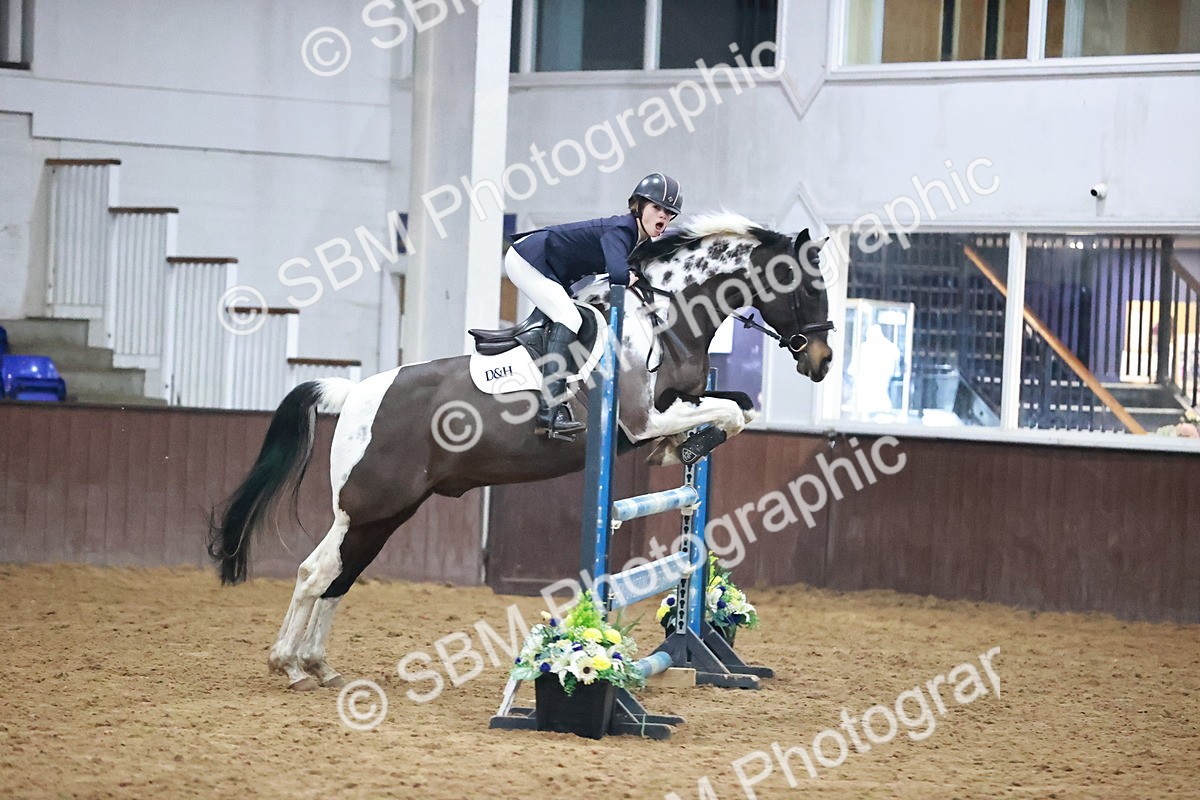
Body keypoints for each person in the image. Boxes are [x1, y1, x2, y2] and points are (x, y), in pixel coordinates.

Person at [506, 173, 682, 438]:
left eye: (669, 213)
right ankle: (548, 410)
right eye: (657, 208)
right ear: (639, 206)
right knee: (569, 318)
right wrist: (630, 274)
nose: (663, 217)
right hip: (529, 259)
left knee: (568, 314)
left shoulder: (639, 240)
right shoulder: (622, 229)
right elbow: (619, 276)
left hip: (551, 270)